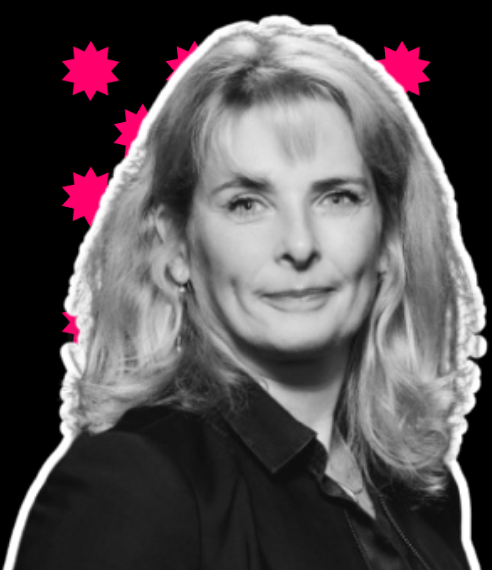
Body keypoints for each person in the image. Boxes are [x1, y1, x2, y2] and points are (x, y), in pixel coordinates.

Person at [7, 16, 485, 570]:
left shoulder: (418, 491)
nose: (299, 244)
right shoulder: (135, 485)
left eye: (337, 197)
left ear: (389, 237)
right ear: (177, 245)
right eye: (247, 203)